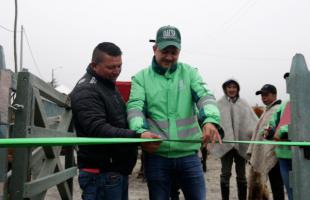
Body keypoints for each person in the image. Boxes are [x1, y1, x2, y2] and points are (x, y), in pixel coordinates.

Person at [127, 25, 223, 200]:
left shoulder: (190, 73)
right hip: (157, 157)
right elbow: (135, 108)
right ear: (155, 49)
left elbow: (205, 96)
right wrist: (140, 132)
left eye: (174, 52)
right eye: (165, 51)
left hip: (189, 155)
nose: (169, 57)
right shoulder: (141, 78)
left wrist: (210, 119)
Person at [70, 42, 152, 200]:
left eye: (119, 66)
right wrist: (137, 136)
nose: (116, 71)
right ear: (94, 65)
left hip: (113, 171)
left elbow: (119, 120)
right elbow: (97, 129)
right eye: (111, 67)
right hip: (102, 174)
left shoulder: (106, 85)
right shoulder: (87, 90)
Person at [210, 79, 258, 200]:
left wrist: (252, 133)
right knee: (225, 174)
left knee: (241, 175)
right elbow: (215, 122)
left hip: (241, 144)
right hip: (225, 144)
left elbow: (252, 121)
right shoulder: (219, 104)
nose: (232, 89)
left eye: (234, 87)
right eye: (229, 87)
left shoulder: (244, 103)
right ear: (225, 88)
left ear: (238, 89)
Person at [247, 84, 284, 200]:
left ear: (274, 95)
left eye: (266, 95)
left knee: (277, 185)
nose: (263, 97)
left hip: (275, 154)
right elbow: (260, 134)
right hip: (268, 152)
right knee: (268, 184)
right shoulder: (266, 110)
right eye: (262, 95)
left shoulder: (277, 109)